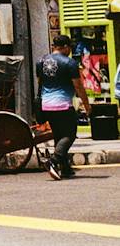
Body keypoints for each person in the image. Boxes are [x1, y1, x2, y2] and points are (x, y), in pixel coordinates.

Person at [37, 35, 91, 180]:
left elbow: (40, 82)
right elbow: (78, 86)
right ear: (66, 47)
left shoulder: (41, 61)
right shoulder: (69, 63)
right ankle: (53, 161)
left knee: (59, 136)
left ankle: (65, 168)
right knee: (70, 134)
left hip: (46, 105)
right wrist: (86, 105)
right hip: (62, 105)